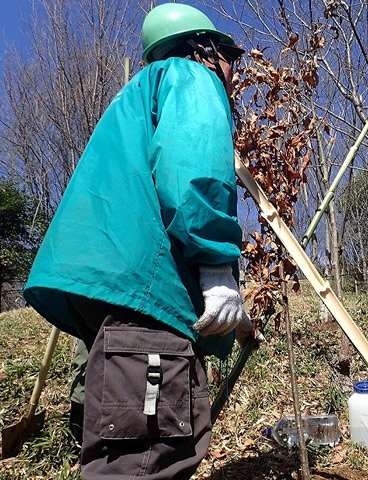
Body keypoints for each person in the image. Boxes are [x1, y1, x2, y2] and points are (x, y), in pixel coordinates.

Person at [23, 4, 253, 479]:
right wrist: (215, 263)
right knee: (146, 460)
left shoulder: (133, 97)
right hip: (145, 295)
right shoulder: (192, 75)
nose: (233, 69)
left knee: (123, 455)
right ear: (204, 48)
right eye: (229, 54)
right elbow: (194, 169)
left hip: (106, 290)